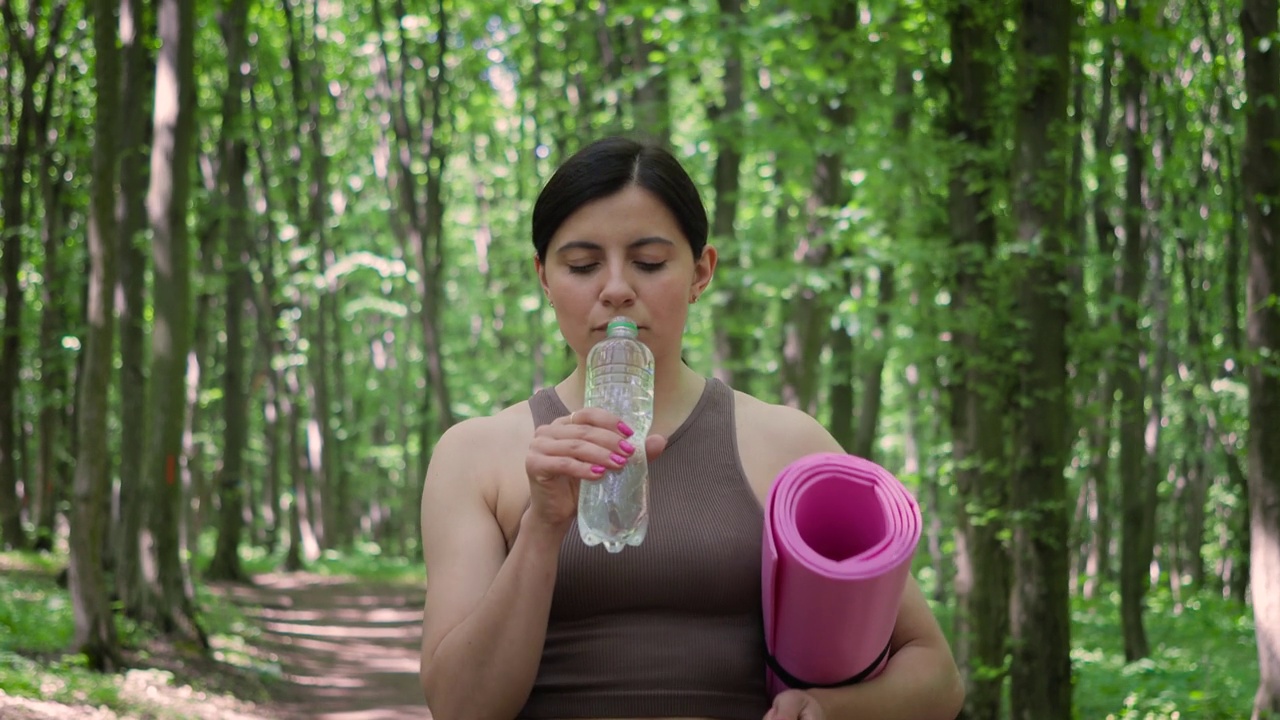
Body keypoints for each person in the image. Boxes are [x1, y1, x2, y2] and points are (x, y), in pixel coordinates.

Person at [418, 136, 964, 720]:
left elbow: (935, 673)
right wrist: (544, 526)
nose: (616, 288)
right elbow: (459, 706)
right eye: (581, 265)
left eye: (650, 262)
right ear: (545, 279)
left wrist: (826, 709)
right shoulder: (474, 455)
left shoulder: (789, 445)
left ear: (701, 272)